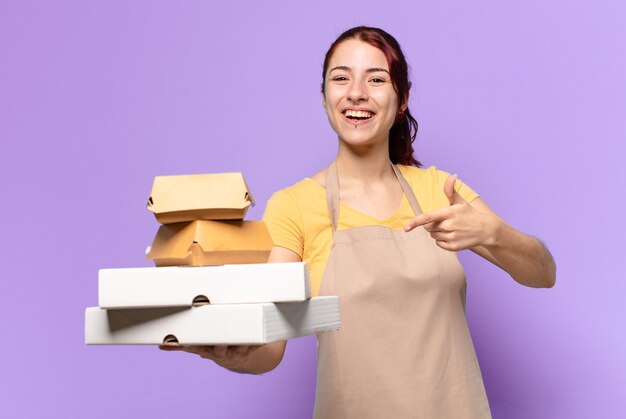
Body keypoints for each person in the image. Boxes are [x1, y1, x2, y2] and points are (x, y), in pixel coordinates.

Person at [162, 26, 556, 418]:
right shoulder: (295, 205)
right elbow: (271, 347)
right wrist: (231, 354)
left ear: (401, 99)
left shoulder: (441, 189)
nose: (356, 92)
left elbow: (543, 273)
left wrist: (494, 232)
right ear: (324, 98)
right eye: (341, 78)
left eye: (376, 79)